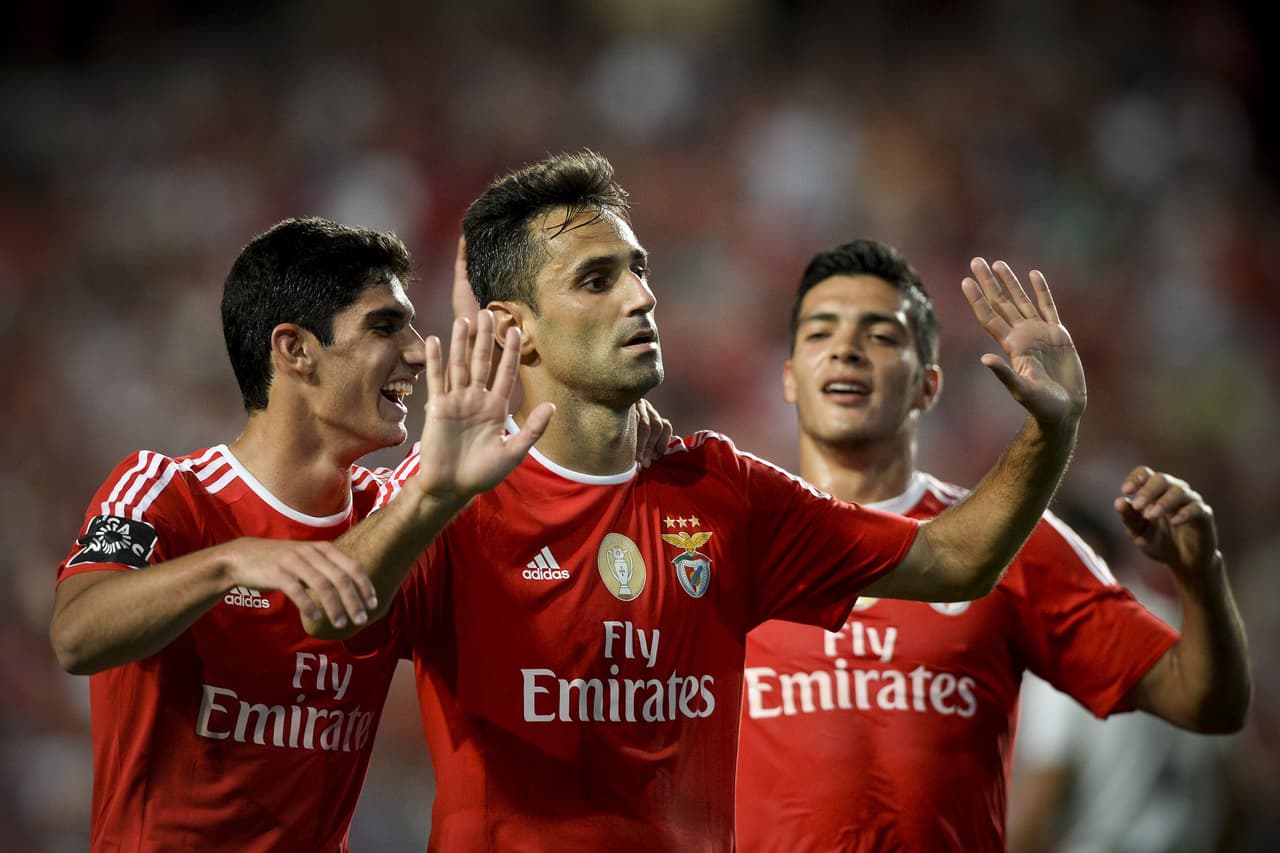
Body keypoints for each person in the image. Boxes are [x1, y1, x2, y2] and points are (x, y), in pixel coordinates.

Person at [315, 150, 1088, 849]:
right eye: (596, 279)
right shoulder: (450, 497)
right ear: (517, 329)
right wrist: (434, 495)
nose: (642, 296)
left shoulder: (719, 488)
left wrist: (1050, 429)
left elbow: (956, 560)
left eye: (637, 268)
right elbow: (326, 611)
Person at [733, 239, 1252, 852]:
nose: (847, 349)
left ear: (929, 385)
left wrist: (1201, 574)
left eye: (881, 335)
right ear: (790, 378)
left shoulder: (1013, 542)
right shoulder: (731, 543)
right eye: (821, 333)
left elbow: (1206, 703)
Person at [49, 217, 431, 852]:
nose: (417, 349)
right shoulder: (167, 491)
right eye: (385, 326)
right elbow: (76, 636)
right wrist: (230, 563)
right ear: (295, 349)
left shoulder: (395, 515)